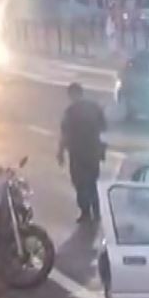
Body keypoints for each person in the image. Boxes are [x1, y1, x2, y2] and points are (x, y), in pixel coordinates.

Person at [57, 83, 107, 222]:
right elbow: (104, 129)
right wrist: (101, 150)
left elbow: (65, 134)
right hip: (93, 153)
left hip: (77, 154)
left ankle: (85, 212)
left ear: (72, 95)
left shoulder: (70, 111)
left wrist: (60, 152)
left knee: (80, 183)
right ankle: (96, 212)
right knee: (92, 182)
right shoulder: (94, 107)